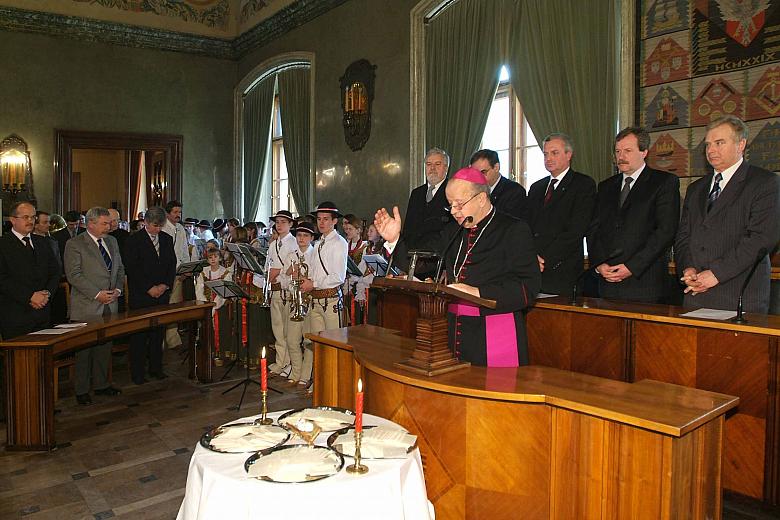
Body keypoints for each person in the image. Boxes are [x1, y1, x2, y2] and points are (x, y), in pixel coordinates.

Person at [375, 168, 540, 366]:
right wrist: (394, 240)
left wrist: (478, 292)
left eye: (459, 204)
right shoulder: (454, 230)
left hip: (495, 328)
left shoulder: (513, 229)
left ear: (481, 198)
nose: (454, 211)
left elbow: (527, 288)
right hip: (455, 331)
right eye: (450, 205)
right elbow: (422, 263)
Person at [675, 115, 780, 313]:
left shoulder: (764, 183)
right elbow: (683, 235)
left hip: (739, 296)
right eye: (708, 145)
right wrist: (688, 268)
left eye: (719, 143)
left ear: (741, 144)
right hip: (695, 294)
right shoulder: (696, 188)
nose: (711, 150)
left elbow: (761, 239)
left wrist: (716, 274)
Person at [588, 127, 680, 304]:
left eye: (628, 151)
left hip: (644, 283)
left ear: (644, 152)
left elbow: (665, 231)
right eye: (617, 151)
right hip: (608, 282)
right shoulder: (606, 186)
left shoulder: (663, 183)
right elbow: (594, 229)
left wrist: (632, 267)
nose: (621, 156)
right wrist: (599, 264)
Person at [64, 207, 125, 405]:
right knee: (84, 350)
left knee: (104, 346)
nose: (109, 226)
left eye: (109, 223)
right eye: (104, 223)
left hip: (110, 303)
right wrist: (97, 294)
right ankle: (81, 390)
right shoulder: (75, 244)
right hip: (87, 305)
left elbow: (119, 268)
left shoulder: (112, 241)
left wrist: (117, 290)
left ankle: (101, 385)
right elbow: (74, 275)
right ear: (90, 223)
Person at [526, 133, 596, 295]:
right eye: (545, 154)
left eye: (554, 153)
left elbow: (576, 231)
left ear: (568, 154)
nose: (548, 158)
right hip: (533, 270)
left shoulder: (583, 185)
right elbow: (527, 226)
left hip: (563, 271)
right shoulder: (537, 188)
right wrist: (531, 257)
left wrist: (545, 260)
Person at [123, 206, 177, 384]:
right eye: (155, 226)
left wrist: (164, 285)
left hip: (161, 293)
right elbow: (132, 268)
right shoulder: (134, 241)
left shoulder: (167, 239)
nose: (158, 229)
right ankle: (138, 373)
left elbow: (171, 265)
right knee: (139, 336)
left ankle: (156, 368)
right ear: (145, 222)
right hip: (141, 294)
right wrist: (149, 288)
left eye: (160, 226)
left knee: (158, 334)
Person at [0, 202, 61, 339]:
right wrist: (30, 296)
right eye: (26, 217)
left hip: (43, 312)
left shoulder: (43, 242)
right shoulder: (3, 244)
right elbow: (2, 279)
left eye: (33, 218)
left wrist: (47, 293)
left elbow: (55, 272)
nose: (30, 221)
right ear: (13, 220)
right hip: (15, 314)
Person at [401, 148, 454, 278]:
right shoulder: (416, 193)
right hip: (413, 262)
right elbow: (408, 228)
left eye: (437, 164)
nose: (432, 168)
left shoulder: (452, 192)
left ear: (446, 167)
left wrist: (448, 267)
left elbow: (453, 234)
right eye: (429, 164)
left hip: (437, 264)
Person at [278, 221, 317, 388]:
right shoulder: (290, 256)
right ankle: (296, 371)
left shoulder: (315, 255)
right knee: (292, 340)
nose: (301, 238)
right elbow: (282, 281)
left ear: (311, 238)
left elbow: (316, 280)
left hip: (309, 302)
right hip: (293, 301)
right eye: (299, 235)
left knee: (308, 341)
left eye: (305, 235)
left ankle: (305, 376)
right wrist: (289, 274)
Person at [300, 202, 348, 334]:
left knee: (334, 343)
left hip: (331, 301)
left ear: (334, 221)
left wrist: (313, 283)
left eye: (326, 219)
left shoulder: (339, 242)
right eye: (319, 219)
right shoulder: (318, 242)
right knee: (318, 346)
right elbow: (316, 270)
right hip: (315, 300)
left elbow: (338, 277)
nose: (321, 223)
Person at [266, 210, 297, 376]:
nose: (279, 225)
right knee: (277, 328)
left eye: (283, 222)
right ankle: (281, 361)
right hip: (275, 289)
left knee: (288, 330)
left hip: (287, 289)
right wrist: (269, 274)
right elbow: (268, 264)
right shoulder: (272, 244)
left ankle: (290, 363)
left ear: (291, 225)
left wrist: (278, 272)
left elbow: (293, 265)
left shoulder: (293, 243)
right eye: (277, 222)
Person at [162, 200, 190, 350]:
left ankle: (173, 338)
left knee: (175, 306)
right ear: (168, 213)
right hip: (166, 272)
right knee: (164, 306)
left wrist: (186, 267)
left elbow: (184, 250)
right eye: (175, 212)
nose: (178, 215)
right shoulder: (163, 228)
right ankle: (161, 340)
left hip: (179, 272)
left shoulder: (180, 228)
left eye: (179, 212)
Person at [469, 148, 527, 220]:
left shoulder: (515, 191)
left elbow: (510, 224)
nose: (478, 177)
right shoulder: (471, 191)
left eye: (483, 172)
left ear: (496, 167)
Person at [342, 214, 372, 325]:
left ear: (358, 230)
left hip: (359, 284)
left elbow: (364, 269)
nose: (347, 231)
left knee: (359, 317)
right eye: (346, 229)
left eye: (350, 229)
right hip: (346, 284)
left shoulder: (364, 246)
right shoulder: (344, 245)